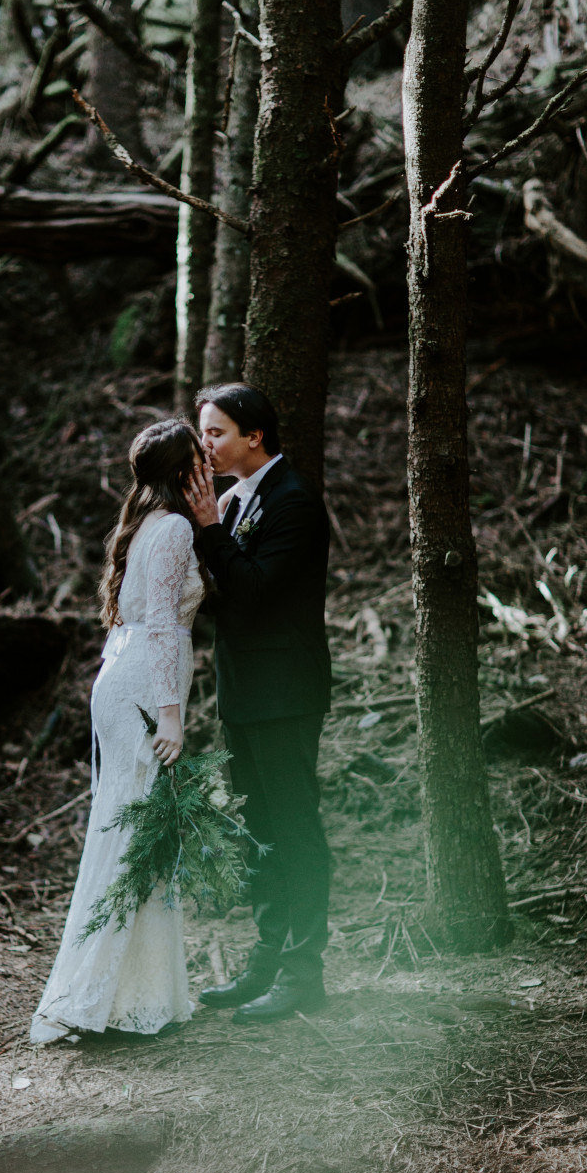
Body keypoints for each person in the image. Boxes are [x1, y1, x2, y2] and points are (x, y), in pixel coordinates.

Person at [31, 419, 209, 1042]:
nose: (208, 465)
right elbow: (160, 622)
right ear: (185, 470)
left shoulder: (147, 524)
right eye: (200, 458)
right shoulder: (176, 528)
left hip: (122, 677)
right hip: (141, 692)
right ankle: (96, 996)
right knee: (136, 842)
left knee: (133, 837)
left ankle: (137, 993)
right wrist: (169, 714)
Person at [184, 382, 332, 1024]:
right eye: (203, 432)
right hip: (243, 693)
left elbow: (255, 592)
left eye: (215, 432)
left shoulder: (293, 501)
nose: (205, 444)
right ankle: (267, 960)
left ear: (255, 437)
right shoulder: (234, 499)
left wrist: (211, 531)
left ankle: (305, 974)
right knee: (260, 832)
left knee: (295, 828)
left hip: (287, 694)